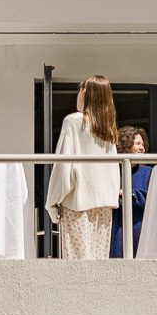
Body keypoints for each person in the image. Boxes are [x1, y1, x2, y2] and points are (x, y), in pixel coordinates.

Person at [44, 75, 120, 259]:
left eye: (80, 89)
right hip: (104, 204)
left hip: (78, 202)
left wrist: (52, 203)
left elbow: (64, 167)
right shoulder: (108, 129)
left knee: (76, 266)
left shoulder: (74, 121)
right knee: (98, 263)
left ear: (86, 93)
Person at [110, 126, 153, 259]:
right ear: (126, 145)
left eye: (143, 145)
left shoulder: (148, 172)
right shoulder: (113, 171)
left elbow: (154, 199)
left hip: (141, 230)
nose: (143, 148)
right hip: (117, 229)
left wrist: (131, 195)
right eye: (138, 144)